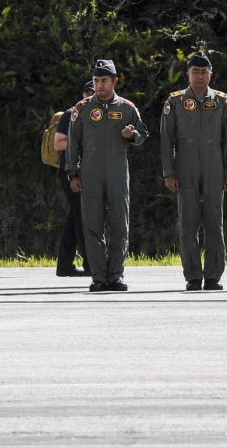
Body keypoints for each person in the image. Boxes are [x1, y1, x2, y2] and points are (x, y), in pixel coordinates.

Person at [66, 59, 149, 292]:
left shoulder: (127, 108)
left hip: (117, 173)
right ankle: (98, 277)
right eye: (96, 81)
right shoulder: (81, 109)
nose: (100, 85)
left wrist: (131, 135)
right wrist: (73, 173)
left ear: (115, 81)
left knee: (119, 225)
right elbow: (74, 144)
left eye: (104, 80)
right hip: (90, 174)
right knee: (92, 225)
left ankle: (116, 276)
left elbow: (143, 134)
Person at [160, 53, 227, 291]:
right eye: (196, 71)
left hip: (215, 167)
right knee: (188, 223)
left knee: (215, 222)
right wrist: (168, 172)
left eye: (204, 72)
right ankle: (193, 276)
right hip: (185, 168)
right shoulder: (175, 101)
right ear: (188, 74)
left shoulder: (223, 101)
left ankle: (213, 276)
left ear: (211, 74)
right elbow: (166, 139)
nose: (200, 76)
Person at [53, 80, 95, 277]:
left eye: (93, 92)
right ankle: (91, 265)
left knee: (75, 219)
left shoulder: (96, 115)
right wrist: (82, 139)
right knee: (82, 220)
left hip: (87, 173)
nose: (90, 95)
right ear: (83, 94)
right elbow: (58, 143)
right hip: (70, 174)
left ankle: (64, 265)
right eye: (88, 92)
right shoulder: (71, 113)